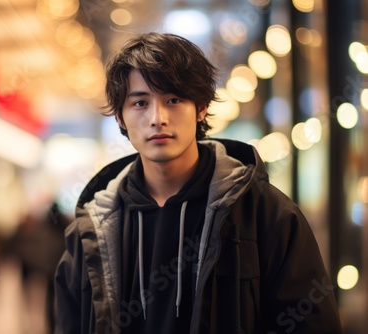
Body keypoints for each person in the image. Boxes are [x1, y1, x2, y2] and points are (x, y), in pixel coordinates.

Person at [54, 32, 342, 333]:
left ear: (201, 108)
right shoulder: (91, 230)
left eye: (174, 99)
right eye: (140, 103)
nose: (158, 118)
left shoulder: (264, 212)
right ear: (120, 118)